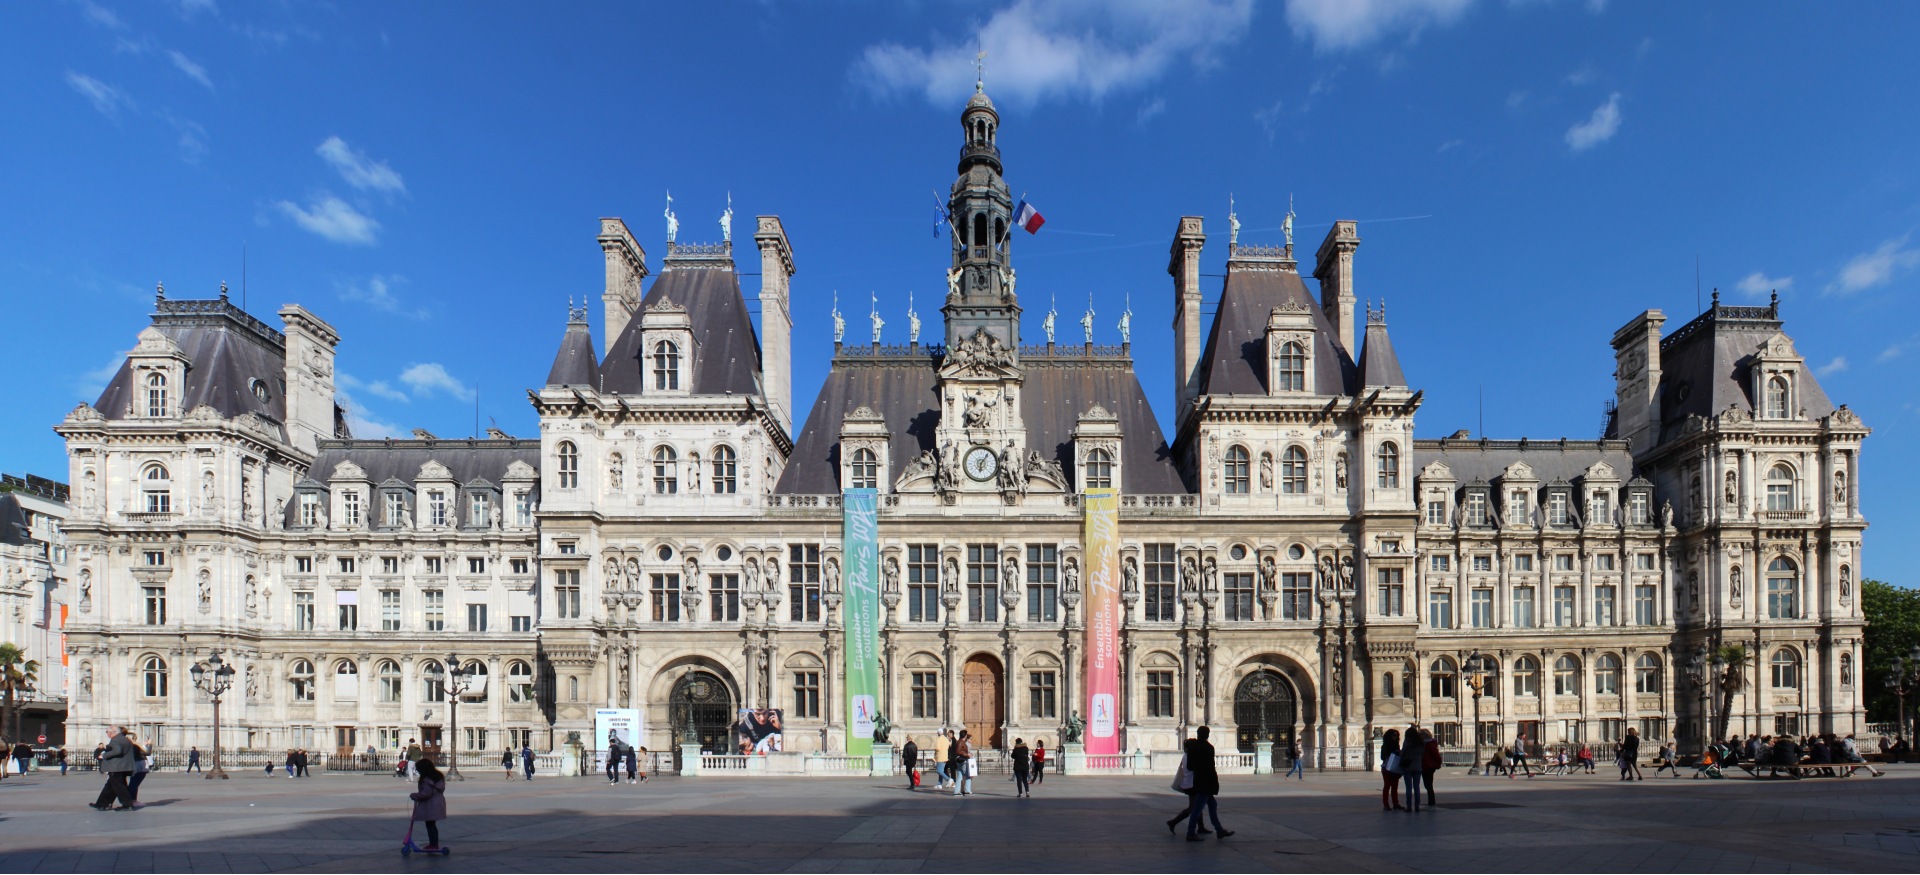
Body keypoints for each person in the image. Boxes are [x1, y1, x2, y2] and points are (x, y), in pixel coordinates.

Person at [1181, 726, 1232, 842]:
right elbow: (1211, 767)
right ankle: (1190, 833)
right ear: (1207, 735)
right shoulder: (1209, 748)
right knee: (1197, 809)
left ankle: (1219, 830)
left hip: (1198, 781)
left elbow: (1190, 766)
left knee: (1212, 805)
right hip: (1207, 782)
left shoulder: (1192, 748)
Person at [90, 726, 138, 811]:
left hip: (116, 767)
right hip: (123, 766)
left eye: (107, 732)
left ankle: (127, 804)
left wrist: (104, 755)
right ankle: (102, 804)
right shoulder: (125, 739)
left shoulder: (115, 740)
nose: (107, 734)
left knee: (120, 787)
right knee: (110, 786)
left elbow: (117, 751)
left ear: (112, 732)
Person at [409, 758, 449, 853]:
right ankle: (434, 843)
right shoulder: (437, 776)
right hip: (438, 803)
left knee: (430, 825)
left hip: (430, 804)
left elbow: (426, 793)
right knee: (432, 824)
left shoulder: (426, 780)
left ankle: (433, 844)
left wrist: (415, 796)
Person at [1398, 724, 1427, 813]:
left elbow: (1403, 753)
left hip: (1408, 766)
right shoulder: (1421, 743)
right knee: (1417, 787)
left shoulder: (1408, 742)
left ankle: (1409, 806)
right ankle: (1417, 806)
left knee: (1409, 788)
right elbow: (1422, 754)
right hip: (1418, 766)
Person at [1379, 728, 1403, 811]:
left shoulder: (1397, 745)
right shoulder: (1385, 745)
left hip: (1395, 768)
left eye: (1396, 735)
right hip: (1387, 767)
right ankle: (1386, 804)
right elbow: (1382, 757)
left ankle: (1395, 803)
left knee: (1394, 786)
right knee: (1387, 786)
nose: (1395, 737)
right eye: (1393, 735)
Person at [126, 733, 151, 803]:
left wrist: (145, 745)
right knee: (134, 784)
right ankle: (131, 800)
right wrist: (149, 744)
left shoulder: (132, 746)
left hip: (136, 765)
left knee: (134, 783)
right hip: (139, 765)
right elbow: (147, 752)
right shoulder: (135, 746)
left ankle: (132, 800)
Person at [1419, 729, 1441, 806]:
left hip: (1429, 766)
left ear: (1426, 735)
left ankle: (1431, 802)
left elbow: (1436, 755)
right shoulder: (1423, 744)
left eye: (1421, 735)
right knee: (1427, 785)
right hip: (1424, 765)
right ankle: (1431, 802)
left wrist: (1438, 764)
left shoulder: (1429, 744)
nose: (1420, 736)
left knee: (1428, 785)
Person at [951, 729, 974, 797]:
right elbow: (958, 751)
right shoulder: (961, 742)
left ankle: (956, 791)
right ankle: (967, 790)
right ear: (965, 735)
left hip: (960, 761)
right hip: (963, 760)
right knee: (968, 775)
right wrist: (967, 754)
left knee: (960, 776)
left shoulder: (960, 741)